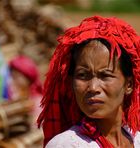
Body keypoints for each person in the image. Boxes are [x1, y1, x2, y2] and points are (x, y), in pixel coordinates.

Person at [37, 15, 140, 147]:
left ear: (129, 84)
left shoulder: (136, 139)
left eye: (105, 75)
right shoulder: (67, 145)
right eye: (83, 75)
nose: (93, 87)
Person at [9, 55, 43, 123]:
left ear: (27, 76)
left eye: (16, 76)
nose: (13, 80)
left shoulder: (38, 101)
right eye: (12, 76)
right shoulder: (16, 97)